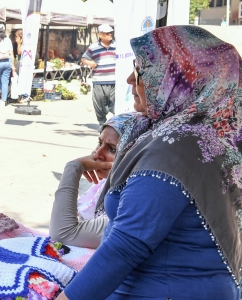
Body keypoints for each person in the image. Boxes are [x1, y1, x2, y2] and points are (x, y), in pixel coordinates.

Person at [58, 26, 241, 300]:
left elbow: (126, 245)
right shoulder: (205, 134)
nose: (132, 79)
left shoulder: (177, 145)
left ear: (179, 79)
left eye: (142, 70)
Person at [49, 113, 139, 249]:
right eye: (100, 143)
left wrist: (73, 168)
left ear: (134, 157)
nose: (97, 155)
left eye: (112, 149)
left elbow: (62, 234)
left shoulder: (135, 201)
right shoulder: (105, 187)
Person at [81, 24, 116, 125]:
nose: (110, 34)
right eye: (107, 33)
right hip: (99, 81)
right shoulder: (93, 47)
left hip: (115, 81)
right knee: (99, 104)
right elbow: (83, 58)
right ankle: (102, 125)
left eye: (111, 32)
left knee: (116, 105)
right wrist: (90, 63)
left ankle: (117, 127)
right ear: (100, 35)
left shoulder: (118, 45)